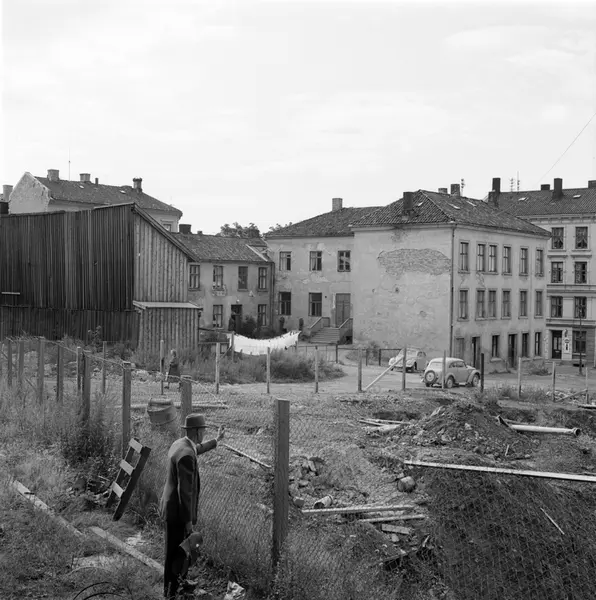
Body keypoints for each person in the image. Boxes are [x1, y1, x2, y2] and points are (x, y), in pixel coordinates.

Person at [160, 413, 225, 599]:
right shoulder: (187, 456)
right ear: (196, 432)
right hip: (177, 512)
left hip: (171, 506)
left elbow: (197, 449)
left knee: (181, 549)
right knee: (175, 552)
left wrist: (216, 440)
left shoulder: (180, 444)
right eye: (203, 430)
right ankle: (171, 592)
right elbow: (185, 493)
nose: (203, 434)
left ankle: (179, 582)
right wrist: (188, 523)